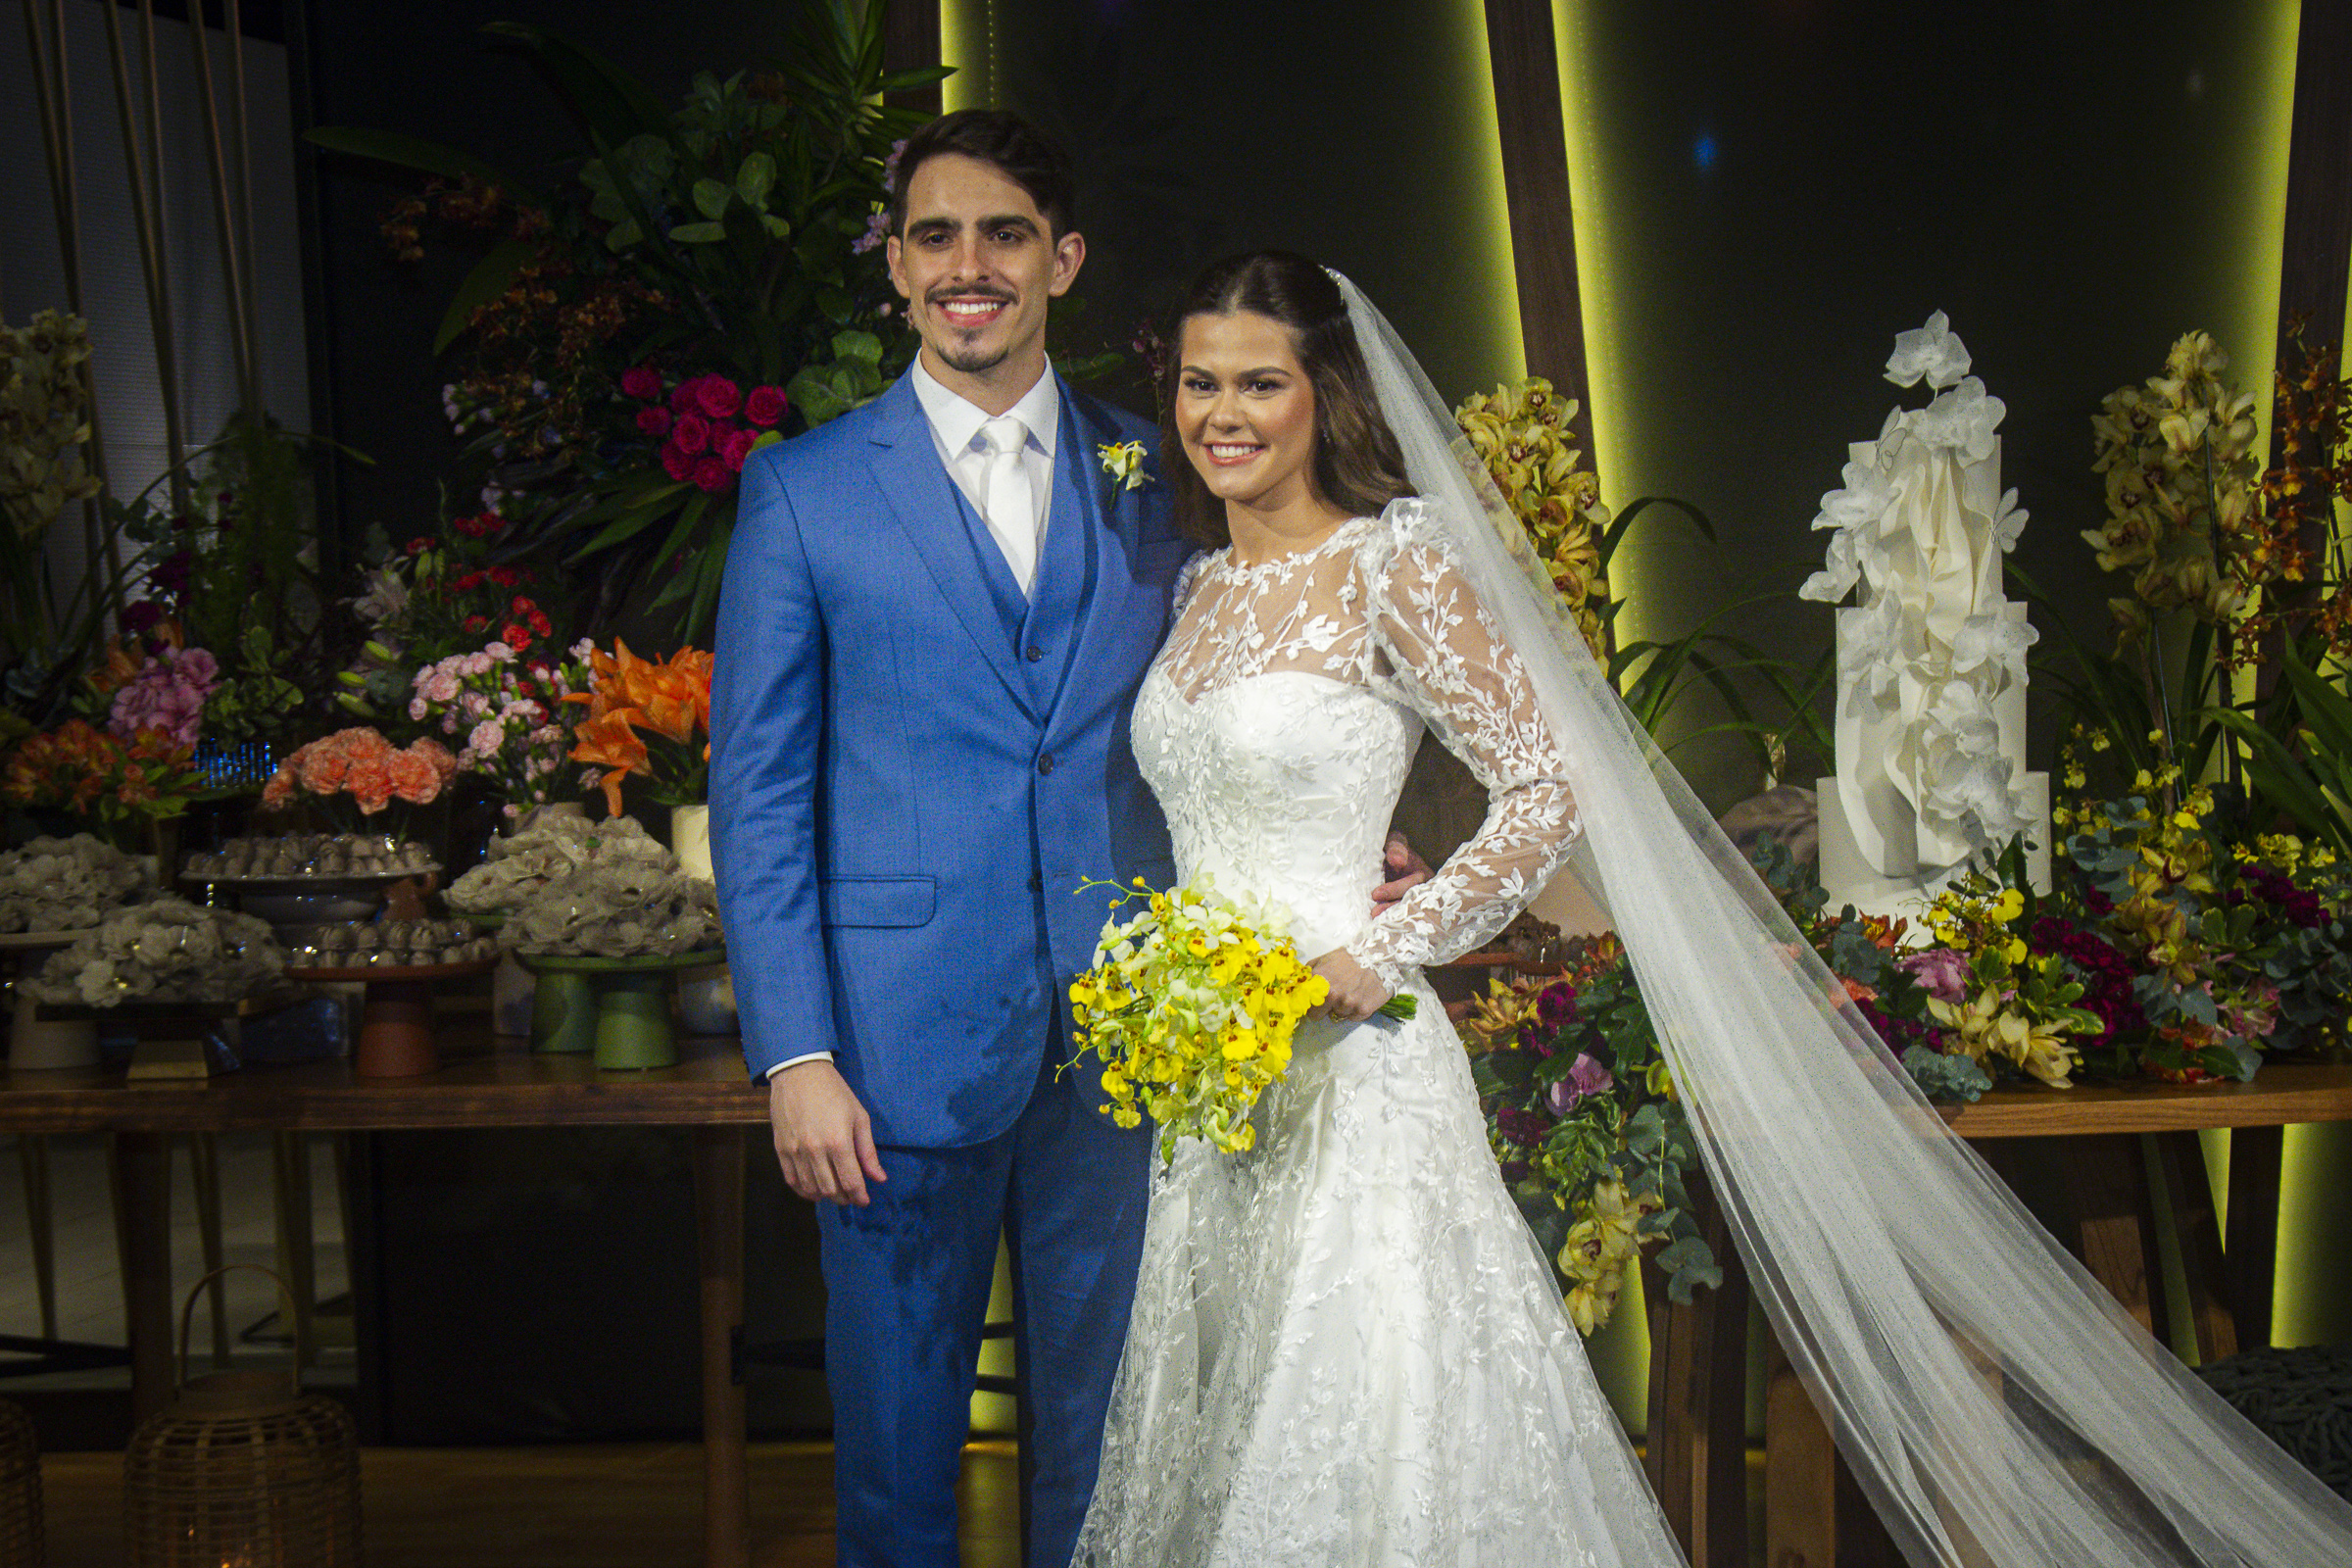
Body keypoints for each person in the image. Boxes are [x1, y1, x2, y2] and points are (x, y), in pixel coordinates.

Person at [1074, 251, 2352, 1567]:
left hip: (1351, 1063)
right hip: (1221, 1084)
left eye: (1260, 383)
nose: (1222, 413)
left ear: (1325, 394)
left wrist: (1386, 944)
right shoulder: (1198, 587)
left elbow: (1545, 782)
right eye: (1199, 383)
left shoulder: (1389, 562)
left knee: (1369, 1421)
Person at [710, 121, 1419, 1568]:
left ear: (1063, 259)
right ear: (898, 266)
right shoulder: (804, 490)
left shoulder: (1161, 470)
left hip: (1132, 1041)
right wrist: (795, 1056)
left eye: (1005, 235)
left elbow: (1247, 667)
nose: (968, 267)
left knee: (1113, 1452)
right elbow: (758, 794)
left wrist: (1354, 814)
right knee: (896, 1455)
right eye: (935, 236)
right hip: (890, 1051)